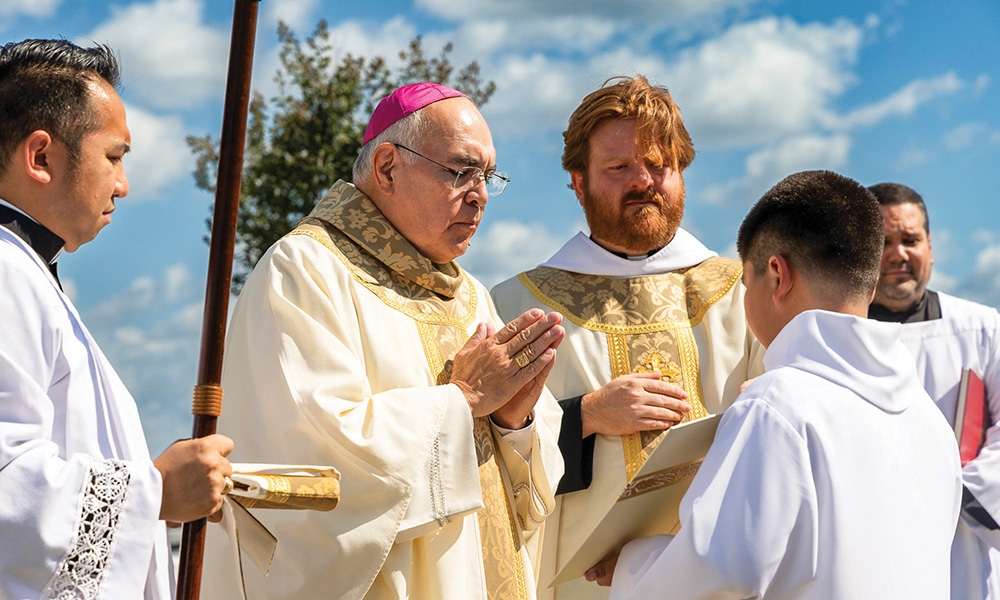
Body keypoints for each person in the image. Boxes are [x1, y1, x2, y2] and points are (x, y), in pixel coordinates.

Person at [200, 82, 566, 599]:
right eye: (461, 171)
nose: (480, 193)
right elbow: (317, 462)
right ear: (388, 167)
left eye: (488, 176)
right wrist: (462, 401)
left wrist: (514, 422)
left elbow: (529, 486)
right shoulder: (306, 271)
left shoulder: (469, 295)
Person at [605, 170, 962, 599]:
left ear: (777, 274)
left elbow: (719, 575)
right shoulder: (929, 417)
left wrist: (631, 563)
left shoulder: (777, 407)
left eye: (744, 283)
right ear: (868, 286)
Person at [491, 75, 764, 600]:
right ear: (578, 182)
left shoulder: (743, 294)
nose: (644, 180)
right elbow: (487, 459)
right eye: (618, 168)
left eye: (660, 165)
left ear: (682, 172)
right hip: (578, 582)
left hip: (720, 575)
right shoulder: (518, 304)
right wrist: (584, 416)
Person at [0, 39, 233, 598]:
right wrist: (154, 491)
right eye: (114, 156)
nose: (123, 184)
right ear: (41, 157)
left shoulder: (27, 271)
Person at [867, 182, 1000, 599]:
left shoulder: (981, 327)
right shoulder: (833, 332)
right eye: (884, 242)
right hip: (869, 533)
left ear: (930, 247)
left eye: (911, 240)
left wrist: (958, 491)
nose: (899, 254)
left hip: (962, 542)